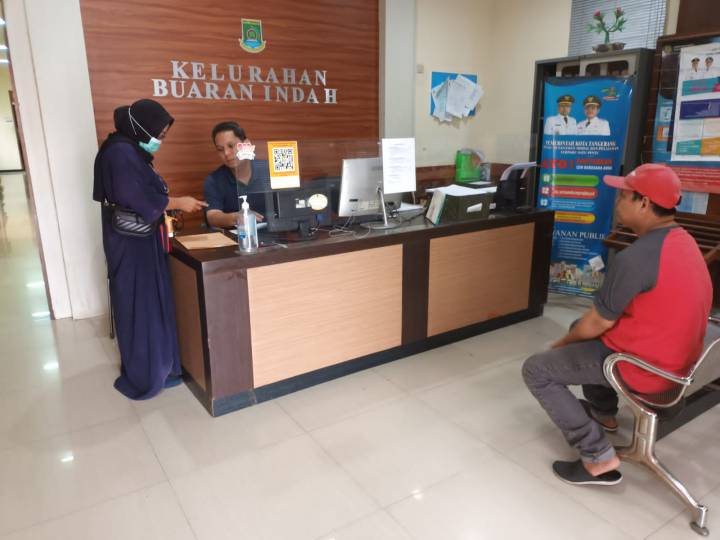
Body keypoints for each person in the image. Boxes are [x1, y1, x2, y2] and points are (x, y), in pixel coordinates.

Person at [522, 163, 712, 486]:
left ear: (644, 203)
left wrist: (559, 346)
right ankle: (604, 413)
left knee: (537, 369)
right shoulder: (685, 242)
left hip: (645, 368)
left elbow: (597, 322)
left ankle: (597, 455)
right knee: (579, 327)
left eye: (624, 196)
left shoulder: (636, 258)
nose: (617, 202)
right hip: (679, 366)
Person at [93, 99, 207, 400]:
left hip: (142, 240)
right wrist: (178, 202)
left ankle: (163, 365)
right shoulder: (119, 152)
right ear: (141, 127)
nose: (159, 140)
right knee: (140, 304)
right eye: (159, 134)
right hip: (131, 245)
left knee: (153, 302)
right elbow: (132, 195)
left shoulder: (130, 149)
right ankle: (146, 373)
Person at [204, 121, 271, 228]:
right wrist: (235, 218)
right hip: (237, 236)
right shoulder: (214, 180)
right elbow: (212, 216)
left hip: (275, 233)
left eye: (231, 146)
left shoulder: (269, 169)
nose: (226, 153)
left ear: (247, 144)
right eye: (220, 149)